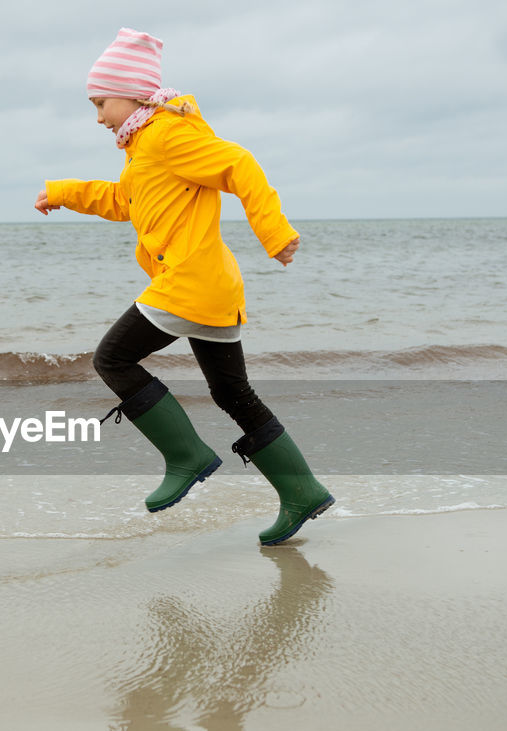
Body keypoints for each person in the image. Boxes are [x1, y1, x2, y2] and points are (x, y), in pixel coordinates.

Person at [34, 27, 333, 546]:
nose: (98, 116)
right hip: (211, 288)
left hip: (190, 283)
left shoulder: (168, 134)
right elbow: (126, 201)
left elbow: (236, 163)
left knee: (112, 360)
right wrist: (65, 193)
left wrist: (274, 232)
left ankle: (186, 455)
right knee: (233, 394)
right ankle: (301, 491)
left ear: (131, 94)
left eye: (100, 102)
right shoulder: (144, 144)